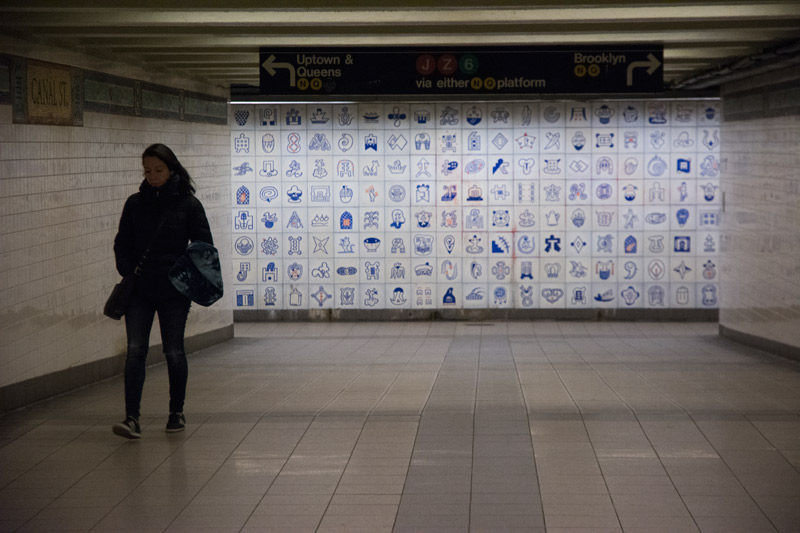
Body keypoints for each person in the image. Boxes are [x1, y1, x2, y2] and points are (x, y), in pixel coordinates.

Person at [111, 144, 213, 439]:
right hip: (140, 290)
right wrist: (127, 270)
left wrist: (185, 276)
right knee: (135, 351)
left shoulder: (188, 205)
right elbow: (122, 242)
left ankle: (176, 412)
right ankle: (132, 418)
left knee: (173, 351)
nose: (152, 176)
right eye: (147, 171)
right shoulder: (134, 204)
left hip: (174, 291)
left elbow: (204, 247)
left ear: (171, 170)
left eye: (158, 170)